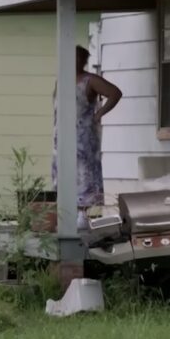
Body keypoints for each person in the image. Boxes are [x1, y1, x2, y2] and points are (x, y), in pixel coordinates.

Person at [52, 45, 122, 230]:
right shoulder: (62, 81)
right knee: (64, 173)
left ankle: (82, 215)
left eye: (77, 57)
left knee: (84, 174)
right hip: (62, 137)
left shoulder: (90, 80)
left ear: (82, 60)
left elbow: (115, 93)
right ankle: (68, 216)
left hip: (82, 137)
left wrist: (98, 114)